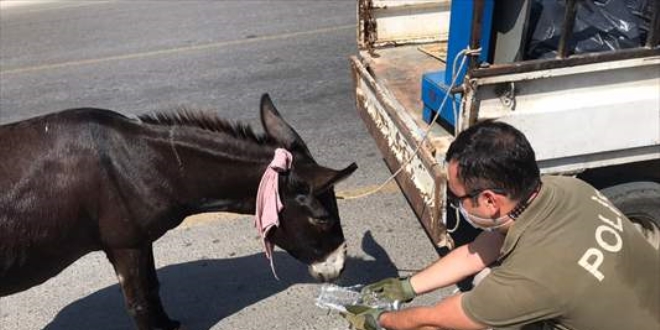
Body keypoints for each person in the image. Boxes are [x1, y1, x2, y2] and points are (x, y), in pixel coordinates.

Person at [341, 120, 659, 330]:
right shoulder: (565, 190)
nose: (455, 204)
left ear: (491, 201)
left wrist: (381, 319)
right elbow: (482, 248)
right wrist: (408, 287)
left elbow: (433, 320)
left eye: (457, 198)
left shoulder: (531, 279)